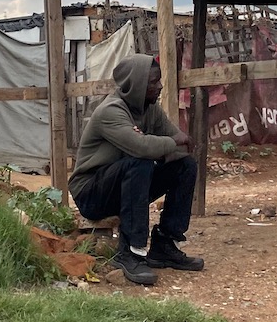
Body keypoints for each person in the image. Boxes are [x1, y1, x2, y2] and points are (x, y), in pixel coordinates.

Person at [69, 53, 203, 286]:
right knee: (139, 161)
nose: (160, 86)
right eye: (153, 82)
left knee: (185, 166)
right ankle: (130, 252)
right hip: (91, 193)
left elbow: (179, 149)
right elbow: (151, 146)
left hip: (126, 185)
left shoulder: (149, 108)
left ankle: (165, 245)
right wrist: (157, 144)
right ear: (137, 85)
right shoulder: (111, 111)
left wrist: (155, 145)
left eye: (159, 80)